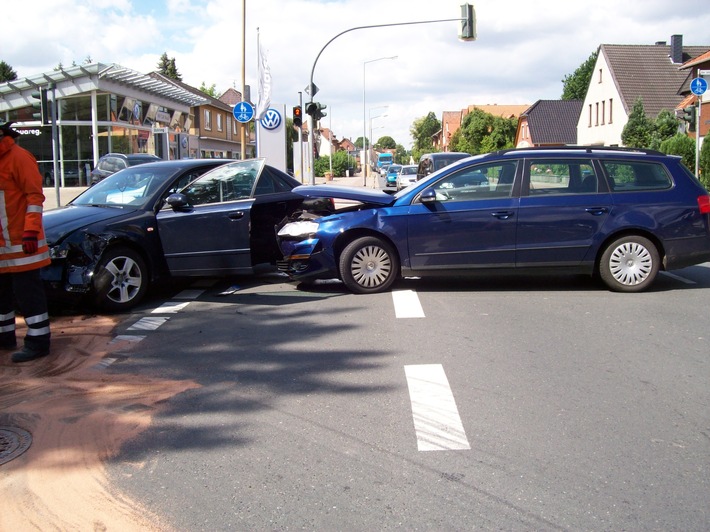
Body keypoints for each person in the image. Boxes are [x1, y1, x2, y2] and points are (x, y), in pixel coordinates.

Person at [0, 120, 51, 362]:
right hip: (3, 245)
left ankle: (38, 342)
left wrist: (30, 231)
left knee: (28, 294)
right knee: (1, 297)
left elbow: (34, 196)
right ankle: (4, 338)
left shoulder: (19, 157)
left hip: (22, 243)